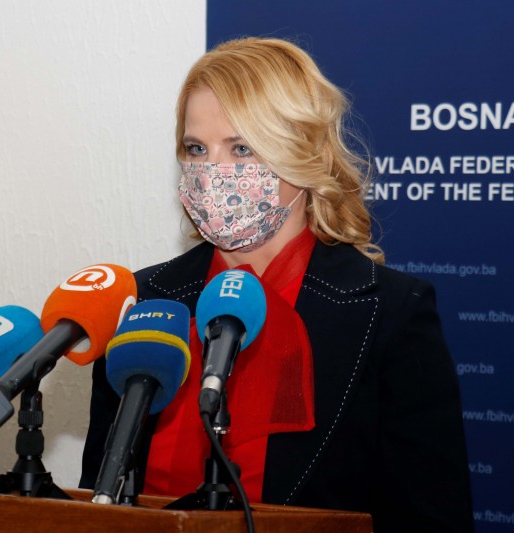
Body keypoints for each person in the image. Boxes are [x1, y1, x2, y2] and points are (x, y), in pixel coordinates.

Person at [80, 37, 474, 531]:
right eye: (196, 149)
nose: (212, 172)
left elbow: (431, 519)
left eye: (241, 148)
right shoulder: (142, 301)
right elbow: (96, 499)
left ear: (304, 154)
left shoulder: (392, 313)